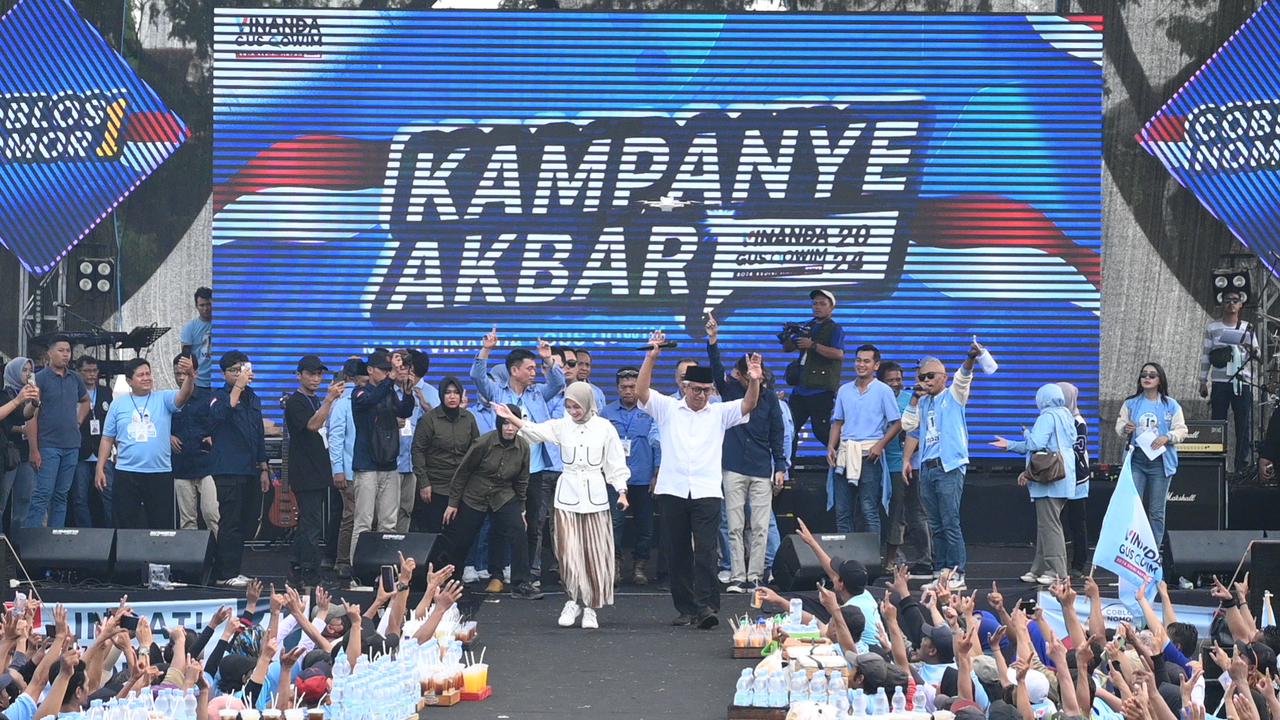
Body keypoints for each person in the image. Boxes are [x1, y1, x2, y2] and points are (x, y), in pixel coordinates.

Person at [636, 330, 761, 630]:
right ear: (685, 387)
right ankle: (686, 608)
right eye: (696, 390)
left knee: (705, 552)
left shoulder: (718, 412)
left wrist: (754, 380)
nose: (701, 395)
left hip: (706, 491)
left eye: (706, 390)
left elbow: (748, 405)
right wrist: (651, 358)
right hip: (672, 490)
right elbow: (642, 392)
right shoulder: (668, 408)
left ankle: (706, 607)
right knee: (677, 552)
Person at [494, 382, 631, 629]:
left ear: (588, 404)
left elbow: (615, 462)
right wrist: (512, 418)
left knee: (594, 553)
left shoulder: (604, 428)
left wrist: (621, 491)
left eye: (577, 406)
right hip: (567, 496)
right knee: (568, 553)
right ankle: (572, 600)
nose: (573, 411)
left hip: (595, 498)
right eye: (569, 406)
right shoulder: (562, 425)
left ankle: (590, 607)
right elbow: (535, 431)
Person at [469, 329, 565, 589]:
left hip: (535, 468)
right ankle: (497, 574)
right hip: (505, 470)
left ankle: (526, 575)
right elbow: (477, 376)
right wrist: (486, 349)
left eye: (535, 368)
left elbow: (559, 384)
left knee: (533, 525)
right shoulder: (497, 393)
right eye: (530, 368)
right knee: (501, 523)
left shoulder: (537, 393)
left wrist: (548, 359)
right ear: (514, 370)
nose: (534, 372)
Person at [705, 314, 786, 593]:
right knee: (735, 525)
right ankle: (738, 575)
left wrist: (780, 466)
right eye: (746, 371)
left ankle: (756, 576)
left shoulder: (770, 398)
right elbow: (716, 369)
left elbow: (777, 433)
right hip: (733, 467)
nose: (740, 375)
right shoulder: (730, 393)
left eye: (755, 370)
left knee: (761, 526)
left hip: (762, 468)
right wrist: (713, 340)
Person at [901, 341, 982, 592]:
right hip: (927, 466)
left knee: (950, 522)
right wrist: (915, 397)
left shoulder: (953, 395)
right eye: (921, 377)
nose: (925, 380)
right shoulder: (924, 402)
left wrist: (970, 358)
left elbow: (964, 377)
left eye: (930, 376)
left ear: (943, 377)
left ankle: (957, 572)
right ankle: (941, 573)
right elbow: (908, 425)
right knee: (935, 524)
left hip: (949, 466)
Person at [442, 403, 543, 600]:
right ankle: (451, 581)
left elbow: (522, 480)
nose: (509, 428)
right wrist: (453, 503)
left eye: (513, 424)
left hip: (503, 494)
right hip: (476, 493)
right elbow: (463, 472)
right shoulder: (484, 442)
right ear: (499, 425)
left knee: (518, 531)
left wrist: (521, 509)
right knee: (462, 537)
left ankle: (521, 583)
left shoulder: (523, 447)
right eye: (505, 424)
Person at [95, 356, 196, 528]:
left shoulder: (163, 398)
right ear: (129, 381)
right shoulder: (118, 404)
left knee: (161, 525)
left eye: (148, 373)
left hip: (159, 471)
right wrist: (100, 468)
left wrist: (190, 376)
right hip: (127, 471)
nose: (146, 378)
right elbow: (107, 438)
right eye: (140, 375)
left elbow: (183, 396)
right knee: (125, 523)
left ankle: (159, 548)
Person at [992, 383, 1077, 584]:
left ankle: (1057, 572)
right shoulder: (1066, 415)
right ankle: (1039, 569)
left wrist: (1024, 435)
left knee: (1050, 526)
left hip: (1049, 478)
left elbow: (1035, 444)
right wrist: (1011, 445)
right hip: (1064, 476)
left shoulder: (1046, 417)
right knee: (1046, 525)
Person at [207, 350, 270, 587]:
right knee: (230, 521)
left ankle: (234, 568)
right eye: (234, 370)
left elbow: (258, 433)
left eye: (242, 369)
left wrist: (264, 467)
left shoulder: (253, 398)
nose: (239, 374)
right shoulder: (218, 396)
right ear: (224, 373)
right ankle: (225, 573)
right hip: (228, 468)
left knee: (247, 521)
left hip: (250, 468)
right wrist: (238, 387)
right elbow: (220, 414)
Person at [827, 344, 901, 535]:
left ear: (876, 365)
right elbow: (838, 422)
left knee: (868, 509)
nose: (861, 365)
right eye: (858, 360)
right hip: (845, 453)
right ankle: (846, 553)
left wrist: (880, 445)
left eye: (866, 361)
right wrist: (831, 447)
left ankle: (872, 554)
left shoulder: (883, 390)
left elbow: (897, 423)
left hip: (869, 455)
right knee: (842, 511)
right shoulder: (844, 390)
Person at [350, 351, 416, 565]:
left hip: (389, 463)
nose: (389, 373)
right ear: (370, 370)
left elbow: (404, 411)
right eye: (384, 370)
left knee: (389, 523)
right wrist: (391, 380)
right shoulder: (360, 392)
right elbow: (371, 400)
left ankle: (385, 569)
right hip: (366, 465)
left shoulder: (389, 392)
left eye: (390, 370)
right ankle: (358, 571)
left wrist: (408, 392)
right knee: (364, 522)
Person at [284, 355, 345, 588]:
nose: (316, 378)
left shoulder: (314, 400)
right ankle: (311, 573)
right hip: (305, 471)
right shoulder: (295, 402)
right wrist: (329, 400)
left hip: (317, 469)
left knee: (308, 522)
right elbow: (312, 425)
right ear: (298, 375)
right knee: (311, 524)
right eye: (310, 374)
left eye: (319, 374)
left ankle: (297, 567)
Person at [1115, 362, 1187, 549]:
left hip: (1160, 463)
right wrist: (1125, 428)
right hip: (1137, 460)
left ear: (1160, 380)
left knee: (1156, 511)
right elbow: (1119, 426)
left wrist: (1167, 437)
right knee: (1133, 508)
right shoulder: (1131, 403)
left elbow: (1181, 430)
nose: (1147, 378)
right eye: (1144, 375)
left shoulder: (1170, 405)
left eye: (1152, 375)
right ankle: (1132, 549)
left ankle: (1153, 551)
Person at [601, 367, 660, 586]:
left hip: (643, 478)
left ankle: (639, 567)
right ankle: (614, 565)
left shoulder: (651, 411)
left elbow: (657, 444)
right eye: (623, 387)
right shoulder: (606, 413)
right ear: (617, 389)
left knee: (645, 526)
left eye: (632, 386)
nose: (628, 391)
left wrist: (657, 473)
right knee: (614, 525)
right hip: (616, 480)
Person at [26, 336, 90, 528]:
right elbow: (31, 416)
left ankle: (56, 538)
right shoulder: (40, 378)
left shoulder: (75, 378)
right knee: (42, 494)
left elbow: (86, 401)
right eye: (61, 350)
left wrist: (77, 421)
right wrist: (34, 449)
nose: (65, 354)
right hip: (48, 445)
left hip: (71, 445)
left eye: (68, 351)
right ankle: (32, 539)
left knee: (61, 495)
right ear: (50, 353)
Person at [878, 361, 932, 577]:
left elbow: (919, 431)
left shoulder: (911, 399)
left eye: (898, 379)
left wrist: (908, 453)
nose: (895, 384)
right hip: (879, 463)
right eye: (890, 380)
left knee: (908, 512)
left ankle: (923, 558)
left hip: (907, 465)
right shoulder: (876, 397)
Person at [1199, 289, 1258, 472]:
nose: (1231, 304)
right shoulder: (1213, 327)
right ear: (1221, 304)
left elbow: (1257, 354)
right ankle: (1217, 465)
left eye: (1235, 300)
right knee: (1218, 424)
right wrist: (1202, 381)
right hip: (1220, 383)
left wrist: (1250, 348)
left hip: (1242, 382)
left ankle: (1242, 467)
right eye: (1227, 300)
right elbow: (1206, 355)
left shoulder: (1247, 327)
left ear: (1241, 305)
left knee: (1243, 425)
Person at [781, 289, 845, 456]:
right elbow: (788, 348)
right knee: (789, 429)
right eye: (815, 303)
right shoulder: (806, 326)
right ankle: (787, 468)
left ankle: (845, 458)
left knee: (821, 430)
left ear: (832, 308)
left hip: (821, 390)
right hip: (800, 388)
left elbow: (838, 354)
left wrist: (813, 345)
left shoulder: (834, 328)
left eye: (822, 304)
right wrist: (788, 336)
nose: (817, 307)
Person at [412, 376, 479, 535]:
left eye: (456, 392)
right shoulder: (429, 419)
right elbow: (418, 451)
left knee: (460, 533)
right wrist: (424, 483)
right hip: (435, 486)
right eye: (448, 393)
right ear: (441, 395)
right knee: (434, 532)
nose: (452, 396)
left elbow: (475, 451)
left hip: (462, 486)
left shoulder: (468, 418)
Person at [327, 358, 368, 579]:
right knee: (351, 516)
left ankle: (357, 560)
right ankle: (343, 560)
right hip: (350, 470)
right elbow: (335, 438)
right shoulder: (343, 402)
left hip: (365, 469)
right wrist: (338, 469)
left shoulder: (366, 399)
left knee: (358, 517)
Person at [171, 353, 218, 536]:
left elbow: (221, 423)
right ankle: (191, 554)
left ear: (195, 373)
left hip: (207, 464)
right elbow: (157, 424)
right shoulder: (170, 399)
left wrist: (215, 437)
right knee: (187, 520)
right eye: (178, 374)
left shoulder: (209, 397)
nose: (181, 377)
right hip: (181, 464)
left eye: (185, 373)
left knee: (212, 514)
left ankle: (219, 551)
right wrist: (168, 436)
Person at [72, 355, 112, 528]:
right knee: (80, 497)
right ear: (78, 372)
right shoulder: (73, 392)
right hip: (81, 451)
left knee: (108, 494)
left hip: (101, 451)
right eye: (87, 371)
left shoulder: (106, 392)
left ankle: (111, 532)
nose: (91, 374)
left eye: (94, 370)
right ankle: (86, 533)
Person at [0, 358, 39, 531]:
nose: (28, 374)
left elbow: (24, 415)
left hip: (23, 452)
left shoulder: (23, 393)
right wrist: (18, 400)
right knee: (3, 501)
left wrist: (34, 403)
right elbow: (8, 423)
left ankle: (19, 540)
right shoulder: (5, 393)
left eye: (30, 370)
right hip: (7, 453)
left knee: (24, 498)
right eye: (24, 370)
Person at [1057, 382, 1090, 577]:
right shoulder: (1056, 419)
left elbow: (1078, 450)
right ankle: (1058, 563)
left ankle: (1079, 563)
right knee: (1057, 521)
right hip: (1058, 478)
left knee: (1077, 521)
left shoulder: (1078, 422)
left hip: (1077, 478)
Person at [180, 287, 215, 400]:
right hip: (199, 382)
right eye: (202, 305)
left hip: (220, 381)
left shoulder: (223, 324)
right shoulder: (190, 327)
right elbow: (185, 356)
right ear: (196, 306)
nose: (206, 308)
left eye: (208, 304)